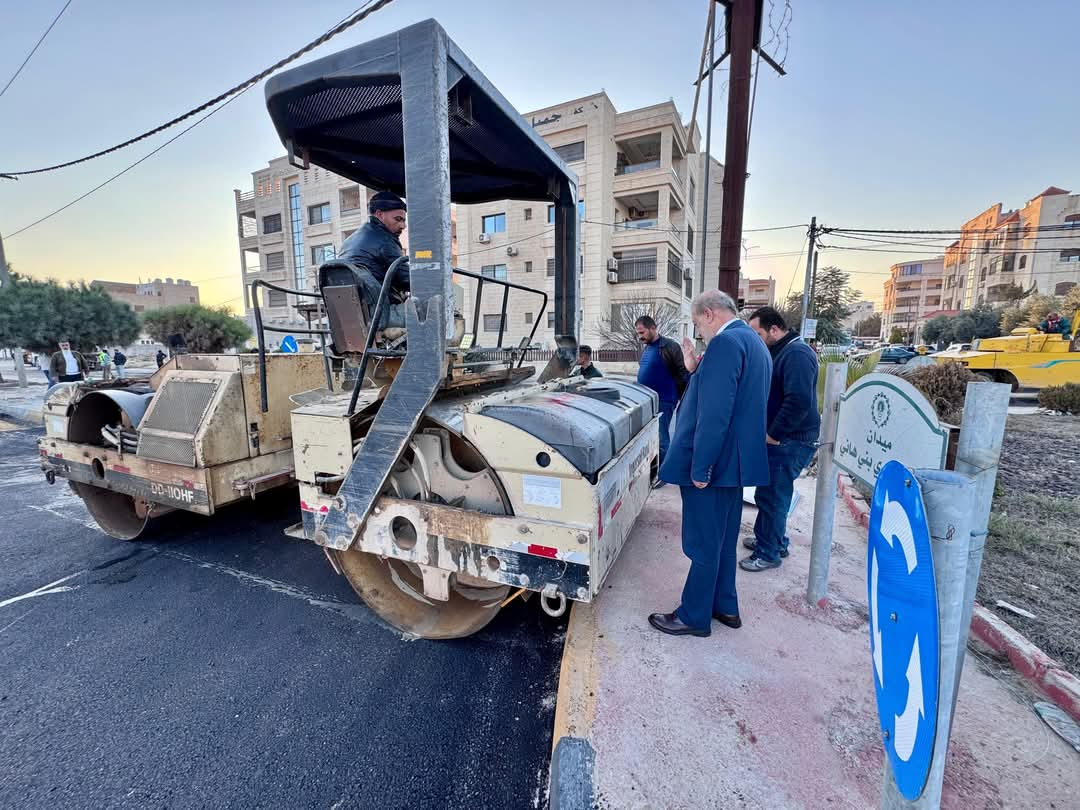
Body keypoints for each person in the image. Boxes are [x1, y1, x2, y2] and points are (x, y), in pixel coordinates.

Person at [648, 291, 771, 637]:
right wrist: (693, 370)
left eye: (697, 323)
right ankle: (725, 606)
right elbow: (730, 396)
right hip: (734, 466)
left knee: (703, 543)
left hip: (713, 467)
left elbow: (715, 413)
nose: (699, 332)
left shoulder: (725, 344)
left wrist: (700, 468)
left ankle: (694, 615)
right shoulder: (754, 342)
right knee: (722, 540)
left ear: (709, 314)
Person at [740, 307, 821, 572]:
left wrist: (774, 434)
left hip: (790, 441)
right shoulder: (780, 350)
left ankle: (769, 552)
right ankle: (775, 541)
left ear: (774, 330)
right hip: (784, 439)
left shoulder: (797, 354)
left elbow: (798, 400)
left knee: (774, 496)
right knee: (769, 493)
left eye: (758, 333)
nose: (755, 338)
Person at [334, 190, 410, 336]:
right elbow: (406, 279)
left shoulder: (350, 241)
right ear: (380, 214)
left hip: (353, 317)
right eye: (398, 219)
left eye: (404, 220)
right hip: (380, 315)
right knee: (439, 311)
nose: (403, 226)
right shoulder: (384, 240)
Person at [635, 315, 689, 469]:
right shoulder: (647, 348)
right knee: (650, 438)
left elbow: (682, 372)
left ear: (653, 328)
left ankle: (664, 472)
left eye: (642, 332)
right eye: (638, 333)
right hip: (647, 401)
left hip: (664, 400)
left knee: (661, 437)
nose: (640, 337)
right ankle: (654, 468)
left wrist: (683, 398)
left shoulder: (669, 346)